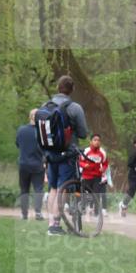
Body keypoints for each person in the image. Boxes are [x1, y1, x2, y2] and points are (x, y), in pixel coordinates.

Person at [41, 75, 88, 235]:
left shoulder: (45, 106)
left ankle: (51, 224)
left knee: (53, 188)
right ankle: (55, 225)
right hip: (67, 155)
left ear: (57, 88)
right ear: (72, 89)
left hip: (49, 154)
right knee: (63, 188)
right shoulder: (75, 108)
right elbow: (83, 133)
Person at [16, 109, 45, 220]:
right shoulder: (42, 132)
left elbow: (18, 144)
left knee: (24, 189)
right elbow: (45, 149)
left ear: (29, 117)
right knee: (38, 189)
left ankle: (24, 214)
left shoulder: (21, 130)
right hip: (37, 164)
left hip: (23, 163)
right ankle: (38, 212)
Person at [78, 134, 109, 215]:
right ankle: (82, 208)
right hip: (86, 176)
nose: (97, 142)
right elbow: (79, 161)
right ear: (91, 141)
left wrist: (103, 168)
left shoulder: (102, 152)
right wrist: (84, 165)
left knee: (96, 194)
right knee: (84, 194)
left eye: (98, 140)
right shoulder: (86, 151)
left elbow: (105, 163)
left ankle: (96, 212)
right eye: (95, 140)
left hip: (97, 177)